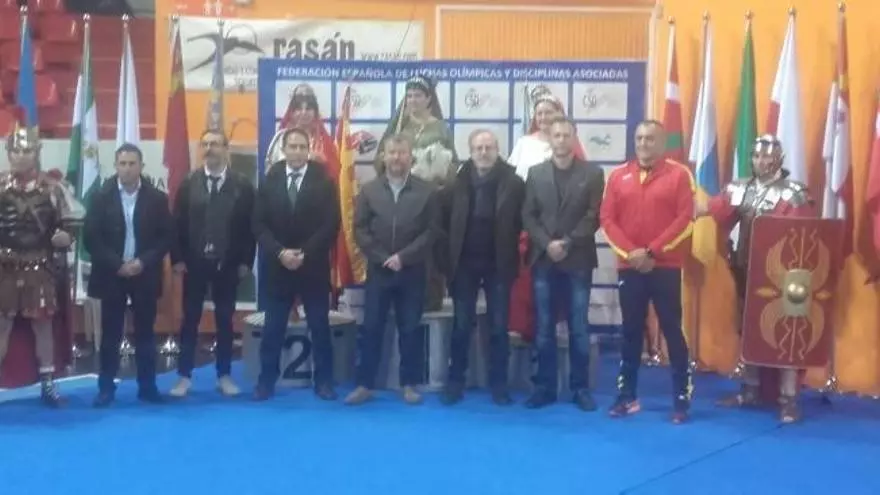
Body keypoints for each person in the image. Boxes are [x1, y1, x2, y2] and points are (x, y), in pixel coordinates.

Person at [696, 134, 815, 423]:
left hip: (784, 278)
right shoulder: (742, 188)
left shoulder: (793, 193)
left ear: (779, 159)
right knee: (749, 330)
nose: (762, 161)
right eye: (757, 156)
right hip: (747, 270)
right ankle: (751, 389)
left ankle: (788, 398)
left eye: (767, 156)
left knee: (785, 335)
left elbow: (803, 239)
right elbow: (713, 209)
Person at [600, 120, 695, 424]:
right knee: (630, 332)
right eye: (639, 138)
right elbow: (607, 220)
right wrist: (632, 253)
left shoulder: (679, 175)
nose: (643, 143)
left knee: (672, 331)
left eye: (650, 138)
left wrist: (652, 251)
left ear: (662, 143)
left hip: (665, 267)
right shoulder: (618, 176)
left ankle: (681, 399)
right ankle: (626, 396)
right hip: (630, 266)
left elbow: (685, 219)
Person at [346, 133, 438, 406]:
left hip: (413, 270)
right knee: (372, 328)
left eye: (402, 153)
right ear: (383, 157)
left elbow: (432, 231)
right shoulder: (369, 190)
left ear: (411, 157)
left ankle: (409, 385)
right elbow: (359, 229)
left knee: (410, 329)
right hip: (380, 270)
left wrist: (403, 257)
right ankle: (365, 385)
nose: (397, 158)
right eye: (392, 153)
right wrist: (383, 257)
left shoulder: (427, 191)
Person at [437, 129, 525, 406]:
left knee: (498, 327)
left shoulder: (514, 183)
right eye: (479, 148)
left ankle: (499, 385)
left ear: (497, 150)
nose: (484, 153)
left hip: (499, 264)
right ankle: (455, 382)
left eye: (489, 147)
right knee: (461, 325)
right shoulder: (455, 182)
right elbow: (441, 224)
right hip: (464, 264)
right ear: (471, 151)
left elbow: (522, 222)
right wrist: (446, 260)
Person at [521, 117, 604, 411]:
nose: (561, 140)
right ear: (550, 139)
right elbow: (528, 215)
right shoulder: (535, 173)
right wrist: (547, 244)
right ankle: (544, 388)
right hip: (544, 260)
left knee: (578, 327)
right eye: (556, 135)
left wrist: (566, 243)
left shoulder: (593, 173)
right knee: (543, 327)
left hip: (577, 260)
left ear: (574, 137)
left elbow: (594, 216)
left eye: (566, 135)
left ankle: (580, 389)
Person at [252, 127, 341, 401]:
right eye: (293, 146)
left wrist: (305, 253)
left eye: (303, 147)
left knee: (319, 327)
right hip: (278, 267)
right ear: (284, 150)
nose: (298, 152)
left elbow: (331, 224)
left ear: (309, 150)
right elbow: (258, 224)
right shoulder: (270, 180)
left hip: (312, 267)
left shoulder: (323, 181)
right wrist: (280, 253)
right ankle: (266, 381)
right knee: (273, 329)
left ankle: (324, 381)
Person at [0, 118, 83, 406]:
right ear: (8, 153)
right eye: (15, 151)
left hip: (39, 265)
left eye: (26, 151)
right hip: (4, 267)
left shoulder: (53, 188)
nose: (20, 156)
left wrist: (66, 236)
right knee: (2, 326)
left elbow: (72, 222)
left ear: (36, 152)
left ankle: (48, 386)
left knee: (43, 327)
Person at [168, 129, 256, 398]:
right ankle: (184, 376)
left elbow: (250, 227)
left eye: (215, 144)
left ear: (226, 149)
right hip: (194, 263)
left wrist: (246, 261)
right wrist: (177, 259)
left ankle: (224, 375)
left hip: (228, 263)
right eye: (205, 144)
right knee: (190, 319)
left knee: (225, 320)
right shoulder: (189, 183)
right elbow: (177, 225)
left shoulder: (242, 185)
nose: (209, 149)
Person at [85, 143, 173, 407]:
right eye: (122, 164)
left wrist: (142, 262)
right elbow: (91, 239)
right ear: (115, 166)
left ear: (141, 166)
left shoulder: (157, 198)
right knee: (110, 333)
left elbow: (166, 238)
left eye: (132, 164)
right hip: (112, 274)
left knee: (146, 333)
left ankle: (147, 387)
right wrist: (117, 264)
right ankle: (106, 388)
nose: (127, 169)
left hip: (144, 273)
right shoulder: (100, 196)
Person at [507, 85, 586, 343]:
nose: (543, 118)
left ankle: (558, 323)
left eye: (548, 113)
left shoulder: (567, 145)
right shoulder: (524, 143)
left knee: (560, 281)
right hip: (529, 223)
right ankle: (522, 326)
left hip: (562, 229)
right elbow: (512, 179)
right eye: (539, 113)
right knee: (525, 278)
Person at [375, 74, 457, 311]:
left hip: (432, 198)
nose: (413, 100)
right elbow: (380, 160)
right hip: (402, 198)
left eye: (418, 96)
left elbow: (454, 163)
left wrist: (440, 175)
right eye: (409, 96)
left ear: (429, 99)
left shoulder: (440, 127)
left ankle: (431, 298)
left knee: (429, 247)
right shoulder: (399, 126)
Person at [265, 83, 340, 179]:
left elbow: (335, 174)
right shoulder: (280, 138)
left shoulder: (324, 141)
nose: (304, 113)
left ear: (315, 112)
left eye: (308, 109)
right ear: (291, 112)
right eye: (299, 108)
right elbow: (270, 171)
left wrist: (323, 162)